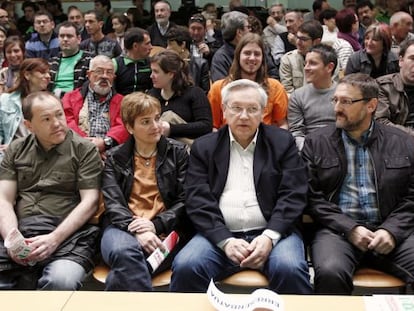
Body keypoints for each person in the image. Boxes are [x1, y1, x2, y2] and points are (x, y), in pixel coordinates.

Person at [170, 79, 312, 294]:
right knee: (187, 265)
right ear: (224, 111)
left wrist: (269, 237)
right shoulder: (204, 147)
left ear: (263, 112)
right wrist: (225, 241)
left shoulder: (282, 142)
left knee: (289, 268)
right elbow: (197, 199)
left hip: (274, 233)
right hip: (218, 235)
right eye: (236, 108)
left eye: (252, 109)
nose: (244, 116)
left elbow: (293, 194)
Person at [302, 73, 414, 294]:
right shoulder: (317, 142)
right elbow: (311, 197)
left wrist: (391, 230)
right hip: (338, 231)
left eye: (346, 102)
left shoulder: (402, 142)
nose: (336, 108)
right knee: (330, 271)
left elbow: (412, 196)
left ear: (371, 105)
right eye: (335, 100)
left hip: (391, 229)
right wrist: (350, 228)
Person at [0, 91, 102, 290]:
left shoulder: (84, 149)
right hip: (22, 229)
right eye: (46, 119)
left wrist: (54, 239)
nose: (57, 123)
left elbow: (90, 202)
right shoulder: (16, 149)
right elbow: (4, 198)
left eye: (59, 115)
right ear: (28, 126)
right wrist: (12, 238)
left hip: (67, 235)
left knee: (61, 281)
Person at [100, 92, 190, 291]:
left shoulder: (179, 153)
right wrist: (137, 229)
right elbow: (113, 204)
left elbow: (185, 200)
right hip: (121, 228)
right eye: (146, 121)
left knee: (127, 270)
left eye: (157, 118)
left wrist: (155, 226)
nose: (156, 126)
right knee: (125, 252)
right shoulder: (114, 158)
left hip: (166, 229)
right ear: (130, 127)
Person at [209, 33, 288, 130]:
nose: (252, 58)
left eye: (257, 54)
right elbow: (213, 126)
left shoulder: (275, 87)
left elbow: (282, 124)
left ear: (263, 58)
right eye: (247, 53)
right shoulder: (218, 88)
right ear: (238, 56)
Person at [62, 55, 129, 156]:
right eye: (99, 71)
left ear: (114, 77)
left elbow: (124, 127)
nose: (104, 76)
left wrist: (105, 143)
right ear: (88, 75)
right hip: (77, 151)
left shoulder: (123, 102)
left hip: (111, 154)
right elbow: (67, 122)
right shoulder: (70, 98)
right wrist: (88, 145)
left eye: (109, 72)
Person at [148, 50, 212, 143]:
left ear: (170, 74)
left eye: (156, 72)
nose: (151, 76)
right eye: (152, 71)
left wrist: (171, 129)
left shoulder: (195, 93)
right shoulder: (151, 95)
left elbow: (206, 126)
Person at [288, 44, 337, 151]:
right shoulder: (298, 95)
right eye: (306, 63)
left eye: (313, 63)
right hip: (309, 150)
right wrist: (309, 151)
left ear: (329, 67)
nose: (306, 68)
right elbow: (296, 132)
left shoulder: (343, 93)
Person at [0, 58, 50, 161]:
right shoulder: (5, 100)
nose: (48, 76)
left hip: (39, 157)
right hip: (8, 157)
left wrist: (17, 148)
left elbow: (49, 138)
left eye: (48, 73)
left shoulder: (50, 103)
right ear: (27, 75)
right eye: (42, 72)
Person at [376, 39, 414, 134]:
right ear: (401, 61)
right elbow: (380, 123)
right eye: (412, 59)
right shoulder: (383, 86)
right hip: (394, 142)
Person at [48, 21, 93, 98]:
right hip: (52, 101)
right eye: (62, 36)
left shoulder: (90, 60)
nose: (65, 39)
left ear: (79, 39)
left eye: (69, 36)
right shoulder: (51, 62)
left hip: (76, 101)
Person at [280, 20, 323, 95]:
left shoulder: (328, 60)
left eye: (303, 39)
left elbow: (330, 91)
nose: (298, 42)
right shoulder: (287, 59)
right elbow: (287, 91)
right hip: (296, 104)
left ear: (317, 41)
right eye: (297, 37)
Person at [166, 26, 210, 93]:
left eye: (170, 44)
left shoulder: (201, 64)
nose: (167, 48)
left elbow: (205, 92)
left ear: (183, 44)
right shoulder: (167, 64)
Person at [113, 27, 153, 96]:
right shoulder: (115, 64)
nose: (151, 47)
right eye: (147, 44)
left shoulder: (152, 63)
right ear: (135, 46)